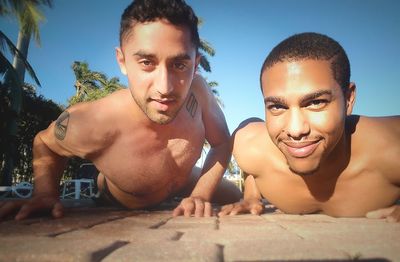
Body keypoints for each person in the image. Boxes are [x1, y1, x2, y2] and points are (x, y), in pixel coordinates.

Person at [0, 0, 242, 220]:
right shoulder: (93, 121)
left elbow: (221, 144)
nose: (165, 87)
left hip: (182, 181)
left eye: (179, 64)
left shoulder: (198, 91)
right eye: (147, 62)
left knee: (233, 194)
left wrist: (200, 195)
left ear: (196, 65)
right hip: (117, 196)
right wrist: (45, 193)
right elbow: (45, 142)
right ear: (123, 61)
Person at [219, 32, 400, 222]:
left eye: (316, 103)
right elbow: (251, 161)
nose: (296, 130)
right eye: (277, 106)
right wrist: (251, 197)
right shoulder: (249, 147)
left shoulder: (391, 149)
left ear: (348, 99)